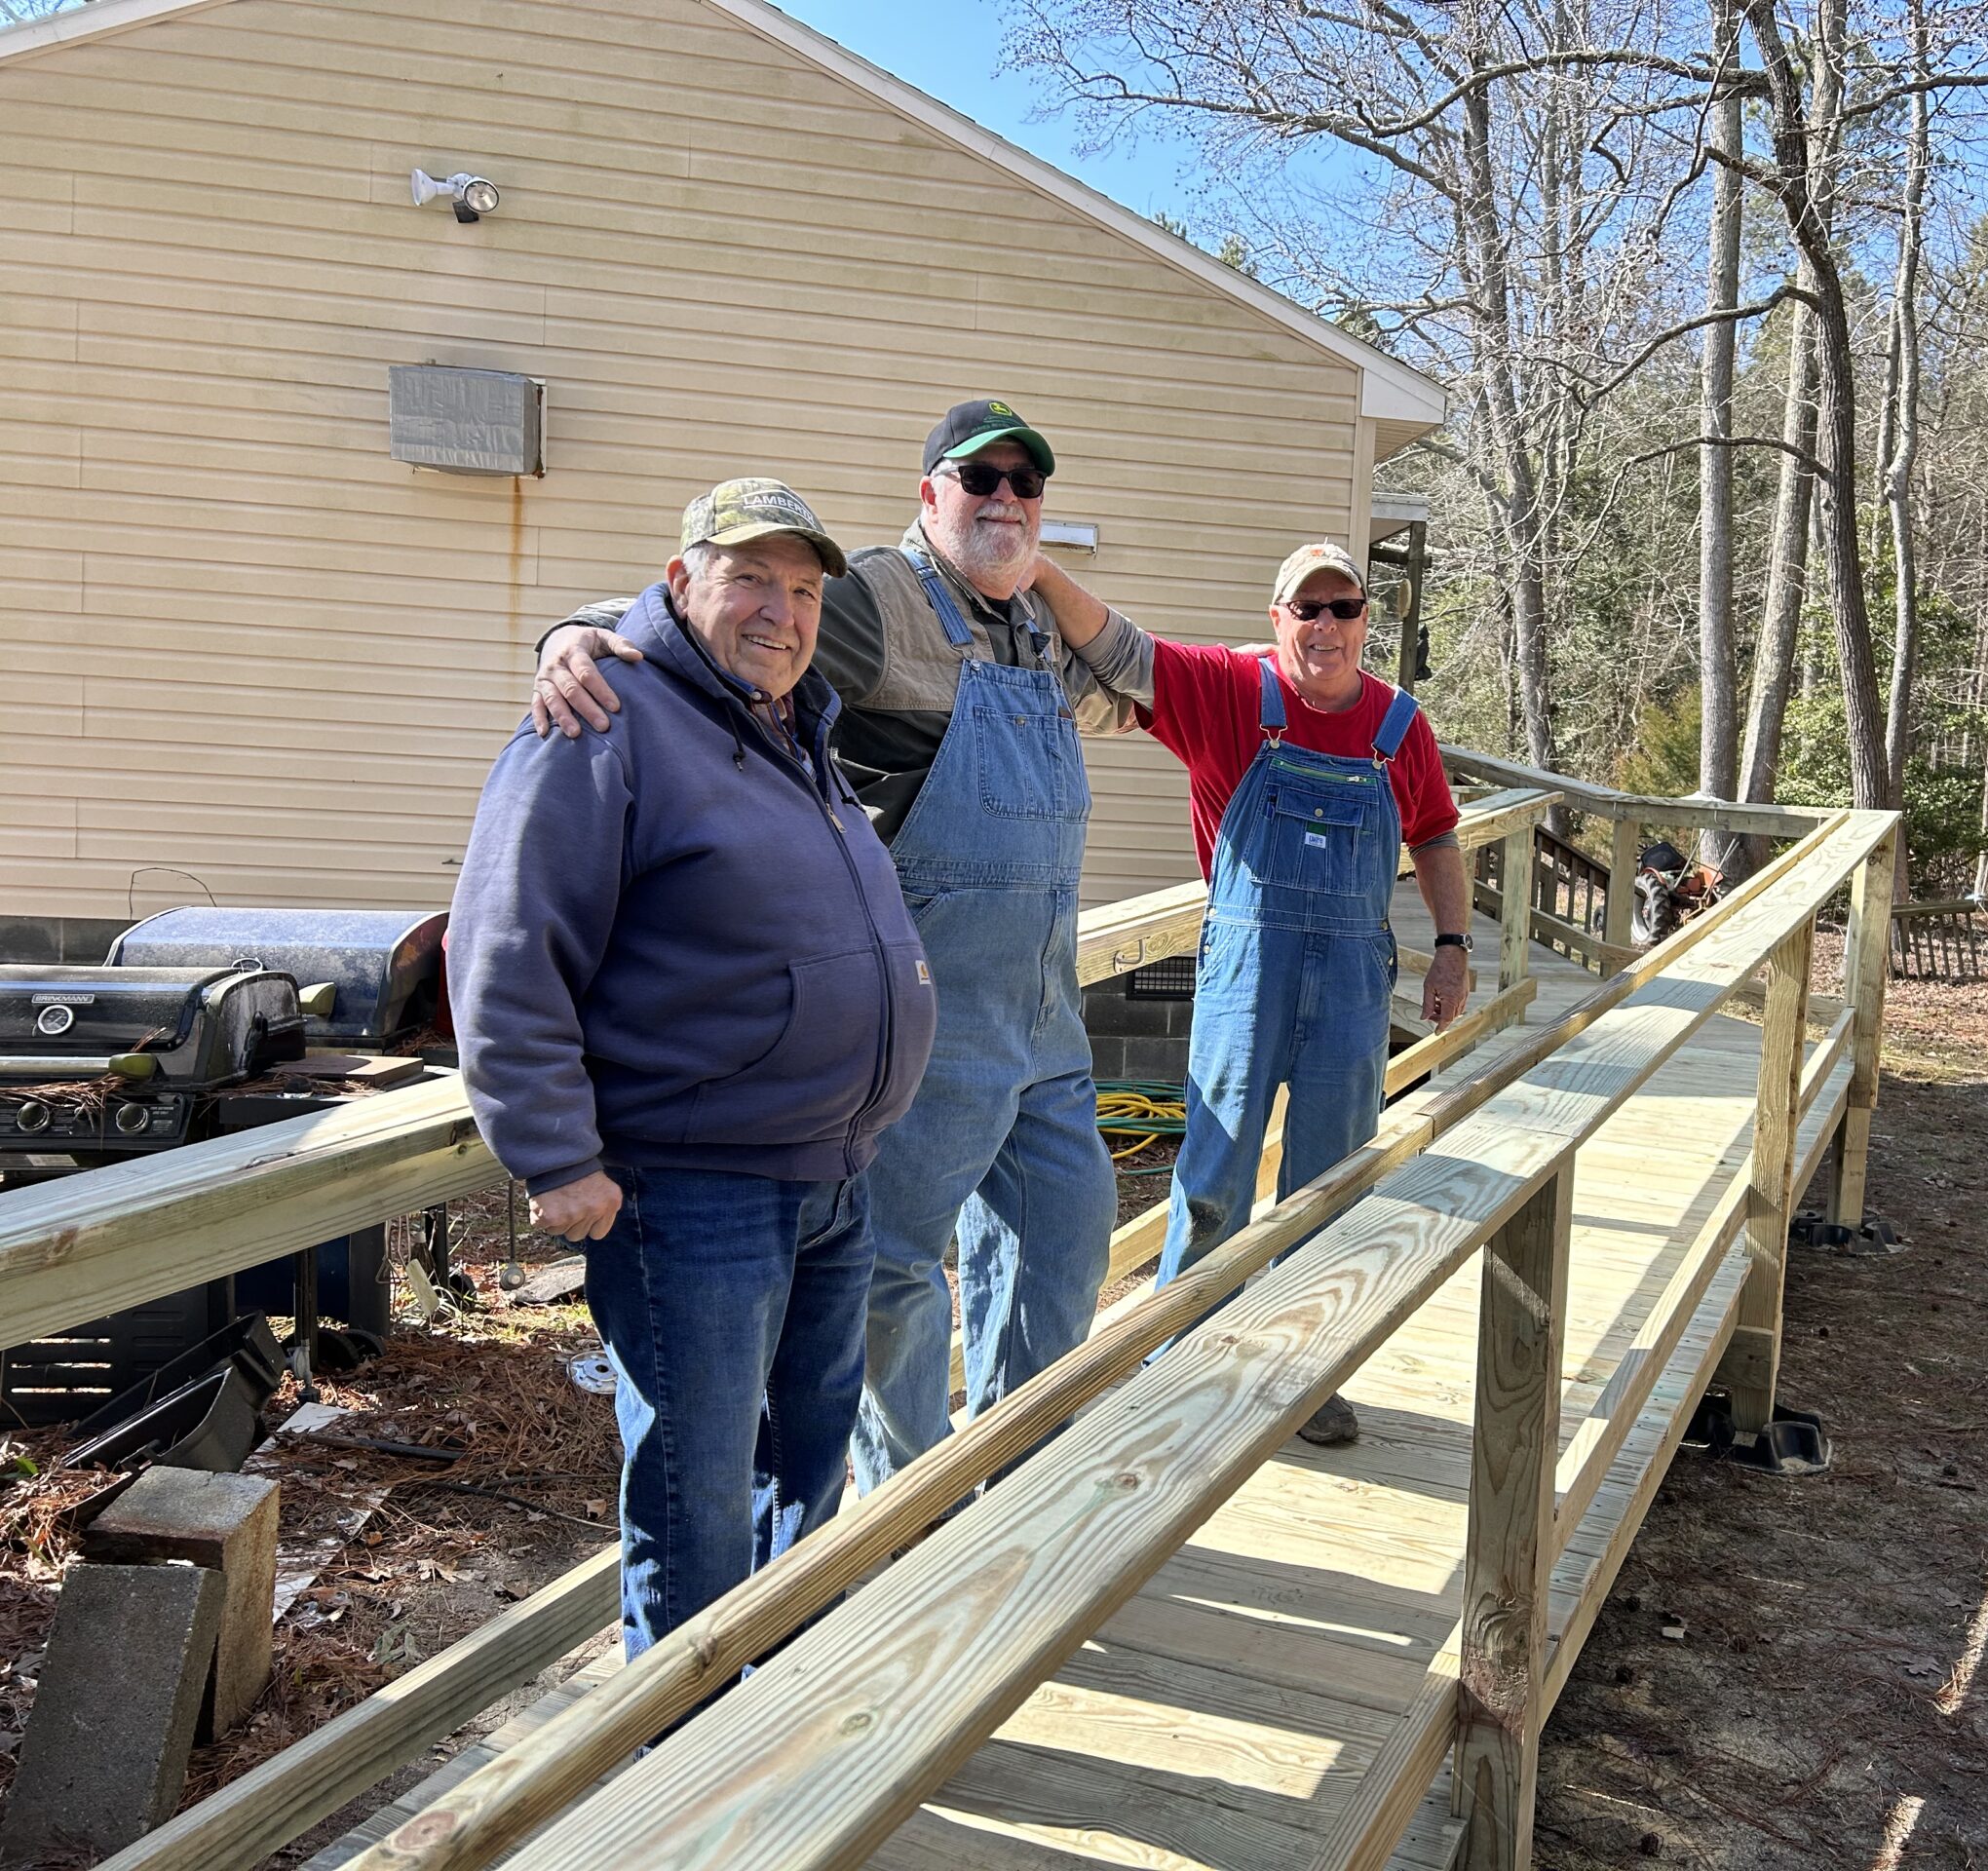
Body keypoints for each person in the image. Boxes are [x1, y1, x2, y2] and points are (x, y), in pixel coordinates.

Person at [527, 401, 1128, 1492]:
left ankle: (1017, 1470)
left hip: (1045, 1011)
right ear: (928, 493)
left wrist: (1041, 578)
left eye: (1023, 483)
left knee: (1067, 1239)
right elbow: (709, 623)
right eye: (976, 479)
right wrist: (570, 632)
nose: (1002, 496)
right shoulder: (876, 599)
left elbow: (1136, 679)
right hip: (934, 1006)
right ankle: (909, 1495)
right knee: (895, 1275)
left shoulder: (1035, 625)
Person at [447, 478, 936, 1657]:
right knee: (697, 1495)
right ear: (678, 584)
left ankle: (764, 1695)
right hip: (693, 1189)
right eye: (749, 579)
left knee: (806, 1466)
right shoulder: (603, 719)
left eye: (804, 589)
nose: (781, 610)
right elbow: (507, 942)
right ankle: (682, 1778)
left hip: (831, 1177)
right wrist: (554, 1151)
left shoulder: (791, 722)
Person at [1025, 542, 1472, 1447]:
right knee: (1213, 1176)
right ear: (1278, 619)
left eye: (1343, 608)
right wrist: (1033, 565)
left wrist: (1456, 948)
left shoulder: (1400, 726)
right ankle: (1178, 1363)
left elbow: (1434, 838)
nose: (1325, 627)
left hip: (1352, 982)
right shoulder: (1231, 691)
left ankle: (1305, 1375)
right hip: (1245, 972)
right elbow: (1118, 648)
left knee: (1332, 1181)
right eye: (1306, 609)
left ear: (1364, 622)